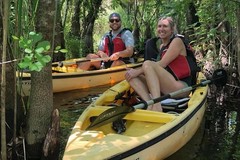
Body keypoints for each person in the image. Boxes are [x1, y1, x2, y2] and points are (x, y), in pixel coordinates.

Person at [125, 16, 196, 112]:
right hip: (167, 85)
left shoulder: (177, 41)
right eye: (159, 26)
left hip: (181, 86)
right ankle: (149, 103)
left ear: (171, 30)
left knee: (147, 64)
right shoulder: (162, 46)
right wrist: (135, 73)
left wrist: (137, 71)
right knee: (130, 76)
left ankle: (157, 105)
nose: (161, 29)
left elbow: (162, 64)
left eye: (165, 26)